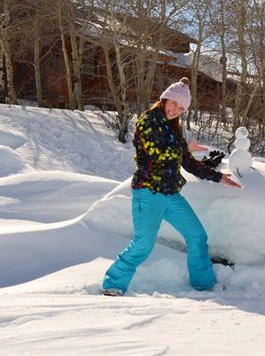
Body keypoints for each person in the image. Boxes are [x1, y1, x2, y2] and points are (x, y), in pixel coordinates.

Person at [102, 77, 241, 296]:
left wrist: (218, 177)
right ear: (165, 99)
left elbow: (187, 162)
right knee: (143, 244)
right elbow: (155, 153)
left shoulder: (175, 129)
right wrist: (184, 147)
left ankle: (204, 284)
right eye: (174, 103)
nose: (176, 109)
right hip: (148, 192)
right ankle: (113, 284)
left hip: (171, 194)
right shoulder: (147, 121)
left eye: (181, 107)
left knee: (197, 236)